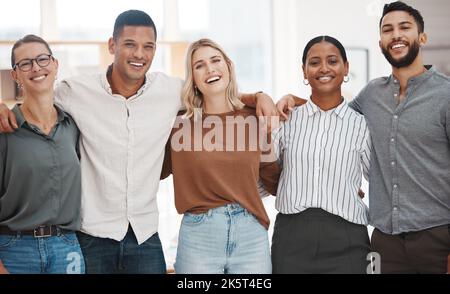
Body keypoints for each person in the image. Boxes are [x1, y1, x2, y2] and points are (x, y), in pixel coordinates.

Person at [0, 11, 277, 274]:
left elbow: (213, 89)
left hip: (145, 238)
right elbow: (37, 95)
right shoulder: (76, 92)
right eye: (130, 44)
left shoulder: (170, 91)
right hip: (93, 237)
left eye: (148, 46)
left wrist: (258, 97)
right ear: (112, 45)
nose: (139, 54)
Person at [278, 1, 450, 274]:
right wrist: (292, 101)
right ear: (381, 41)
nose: (395, 35)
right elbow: (332, 115)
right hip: (384, 242)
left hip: (437, 238)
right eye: (387, 30)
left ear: (422, 37)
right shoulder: (371, 95)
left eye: (404, 27)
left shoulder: (445, 95)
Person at [160, 39, 280, 274]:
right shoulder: (179, 123)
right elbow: (154, 171)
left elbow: (274, 182)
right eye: (199, 65)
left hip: (250, 234)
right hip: (198, 236)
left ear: (228, 66)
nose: (210, 69)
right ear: (192, 78)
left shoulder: (254, 118)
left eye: (216, 60)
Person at [270, 36, 371, 274]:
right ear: (304, 72)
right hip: (291, 237)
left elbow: (381, 180)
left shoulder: (363, 125)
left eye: (332, 61)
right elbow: (263, 176)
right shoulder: (286, 120)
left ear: (346, 68)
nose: (324, 68)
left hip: (348, 238)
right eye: (314, 62)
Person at [0, 35, 84, 274]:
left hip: (66, 247)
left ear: (55, 65)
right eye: (25, 63)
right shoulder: (5, 129)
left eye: (42, 59)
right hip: (15, 250)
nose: (36, 67)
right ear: (15, 75)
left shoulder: (73, 126)